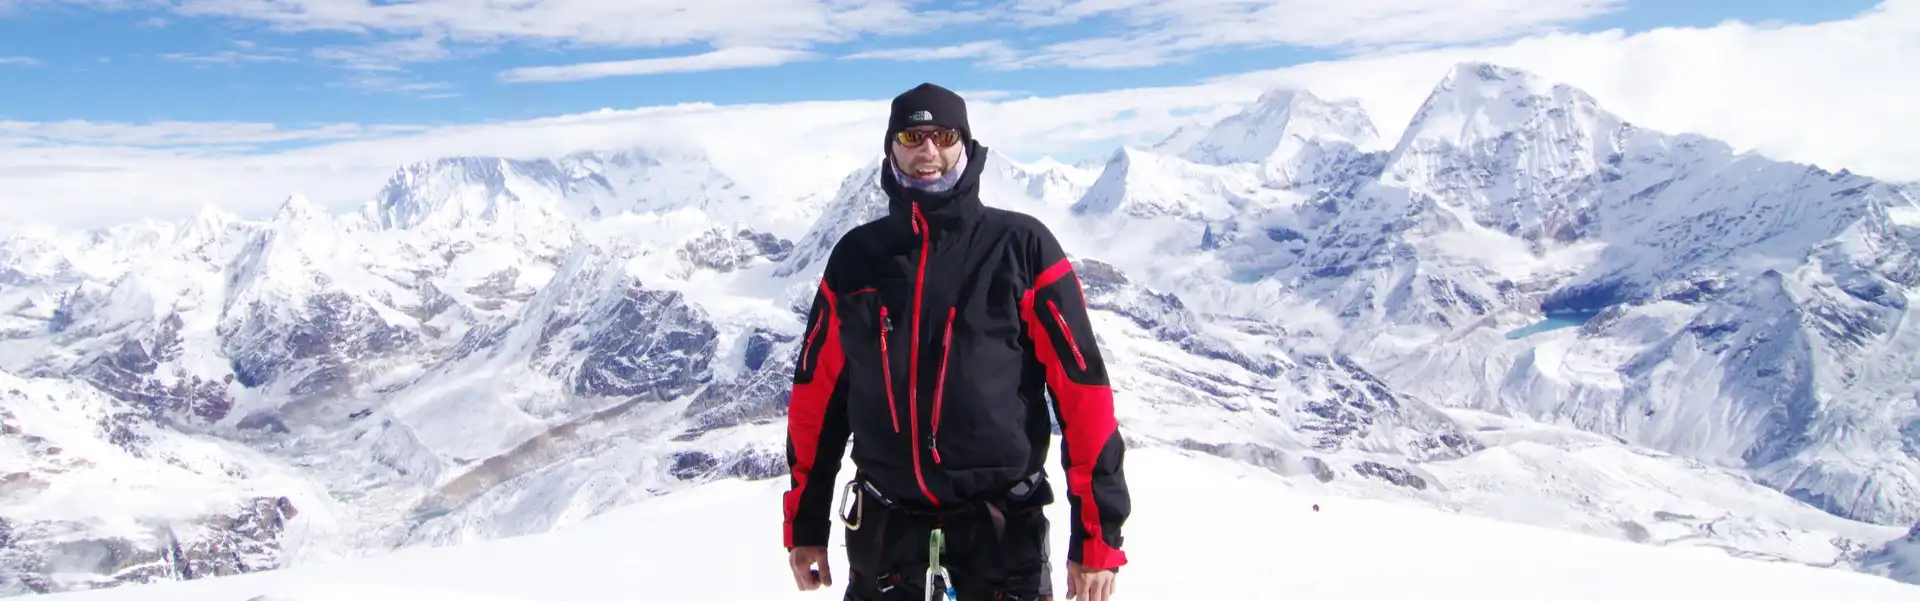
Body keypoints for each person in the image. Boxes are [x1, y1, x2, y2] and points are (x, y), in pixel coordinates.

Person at [782, 82, 1131, 601]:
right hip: (884, 540)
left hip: (1001, 540)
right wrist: (807, 527)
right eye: (912, 136)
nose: (929, 152)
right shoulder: (856, 259)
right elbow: (819, 399)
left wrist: (1096, 538)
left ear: (965, 145)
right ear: (890, 147)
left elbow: (1084, 399)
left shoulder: (1022, 248)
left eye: (944, 136)